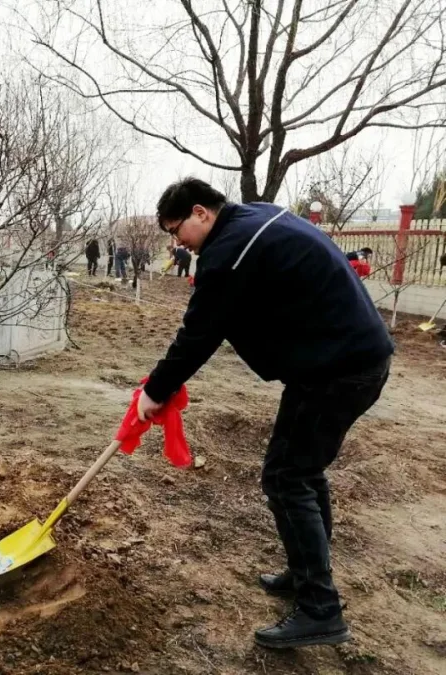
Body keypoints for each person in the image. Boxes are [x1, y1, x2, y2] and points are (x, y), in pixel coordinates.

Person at [136, 178, 393, 649]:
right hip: (342, 361)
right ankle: (305, 574)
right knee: (300, 472)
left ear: (200, 212)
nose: (178, 244)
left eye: (176, 231)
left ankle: (320, 609)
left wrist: (155, 390)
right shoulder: (256, 215)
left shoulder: (228, 252)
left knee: (288, 477)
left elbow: (200, 332)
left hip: (339, 370)